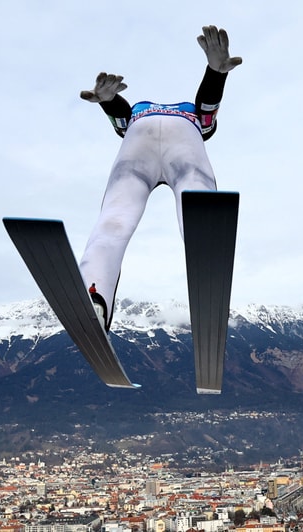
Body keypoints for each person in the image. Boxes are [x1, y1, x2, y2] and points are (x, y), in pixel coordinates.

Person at [79, 25, 242, 331]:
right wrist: (216, 74)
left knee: (113, 221)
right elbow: (207, 110)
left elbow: (123, 118)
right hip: (186, 139)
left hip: (138, 134)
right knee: (199, 210)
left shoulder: (138, 114)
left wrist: (108, 100)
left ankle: (94, 292)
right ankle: (206, 271)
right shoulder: (200, 122)